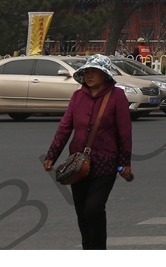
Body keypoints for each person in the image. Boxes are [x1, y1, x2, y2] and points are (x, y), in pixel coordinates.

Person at [41, 55, 132, 250]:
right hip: (78, 164)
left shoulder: (117, 96)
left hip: (106, 163)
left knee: (94, 209)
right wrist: (52, 155)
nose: (89, 76)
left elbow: (125, 131)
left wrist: (125, 161)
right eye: (87, 72)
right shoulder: (77, 96)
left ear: (105, 75)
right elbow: (64, 127)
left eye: (94, 72)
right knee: (82, 213)